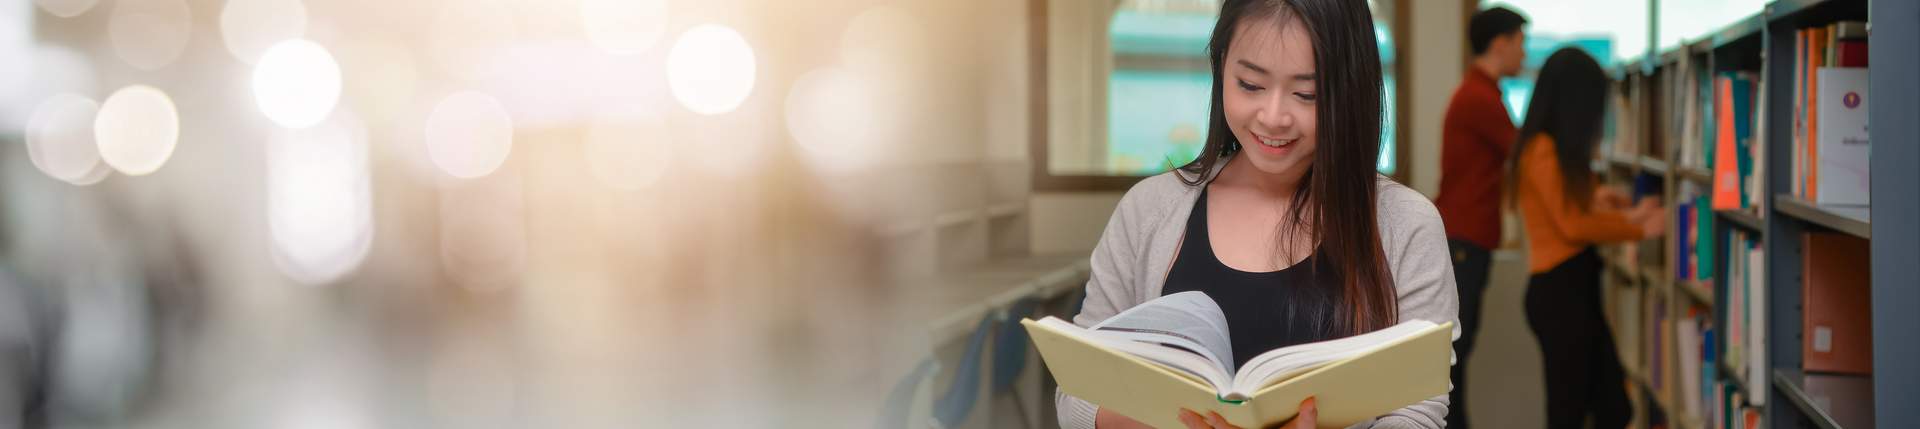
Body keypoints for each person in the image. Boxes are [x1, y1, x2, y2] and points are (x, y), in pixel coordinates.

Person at [1052, 1, 1459, 428]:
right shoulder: (1149, 211)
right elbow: (1078, 389)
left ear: (1350, 89)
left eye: (1307, 94)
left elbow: (1418, 410)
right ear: (1221, 65)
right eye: (1250, 85)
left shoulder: (1407, 225)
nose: (1273, 116)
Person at [1507, 47, 1664, 429]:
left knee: (1613, 406)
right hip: (1559, 293)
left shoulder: (1555, 152)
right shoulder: (1541, 150)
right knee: (1568, 412)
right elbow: (1572, 226)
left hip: (1575, 288)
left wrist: (1624, 213)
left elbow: (1577, 211)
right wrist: (1639, 227)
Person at [1431, 7, 1527, 429]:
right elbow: (1524, 153)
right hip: (1465, 239)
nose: (1523, 53)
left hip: (1467, 238)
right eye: (1520, 42)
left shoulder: (1481, 93)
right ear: (1500, 43)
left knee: (1457, 355)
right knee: (1454, 357)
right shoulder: (1479, 98)